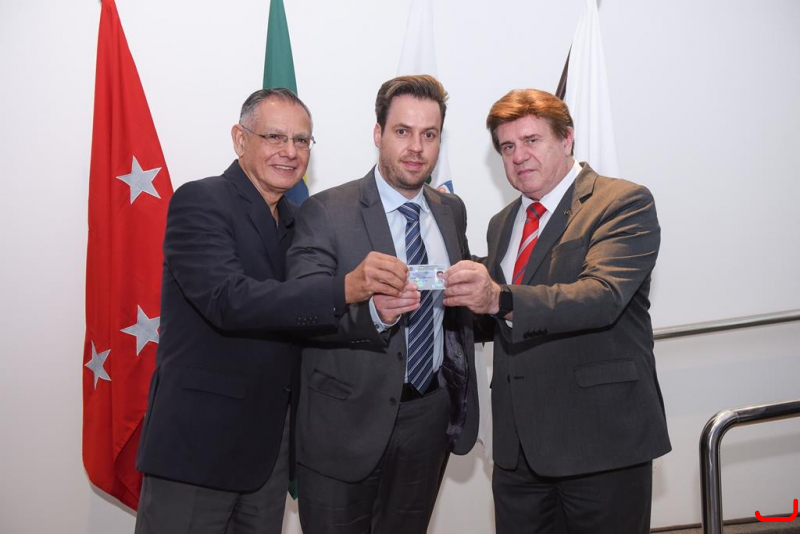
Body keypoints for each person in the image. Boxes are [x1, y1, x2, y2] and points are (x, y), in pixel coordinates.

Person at [134, 88, 408, 534]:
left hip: (270, 453)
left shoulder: (300, 220)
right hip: (198, 448)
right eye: (275, 137)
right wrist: (345, 288)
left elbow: (309, 319)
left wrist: (378, 312)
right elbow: (228, 300)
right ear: (240, 139)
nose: (290, 151)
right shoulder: (201, 200)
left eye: (301, 140)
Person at [443, 88, 671, 533]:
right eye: (507, 147)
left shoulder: (621, 202)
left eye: (532, 140)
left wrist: (500, 298)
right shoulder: (502, 224)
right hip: (517, 452)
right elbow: (501, 319)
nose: (518, 156)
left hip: (600, 443)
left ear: (566, 139)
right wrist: (436, 297)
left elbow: (601, 296)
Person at [286, 75, 479, 534]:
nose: (416, 148)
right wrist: (372, 314)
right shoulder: (326, 211)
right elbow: (301, 313)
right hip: (344, 427)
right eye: (402, 131)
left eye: (429, 134)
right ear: (378, 133)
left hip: (427, 420)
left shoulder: (451, 210)